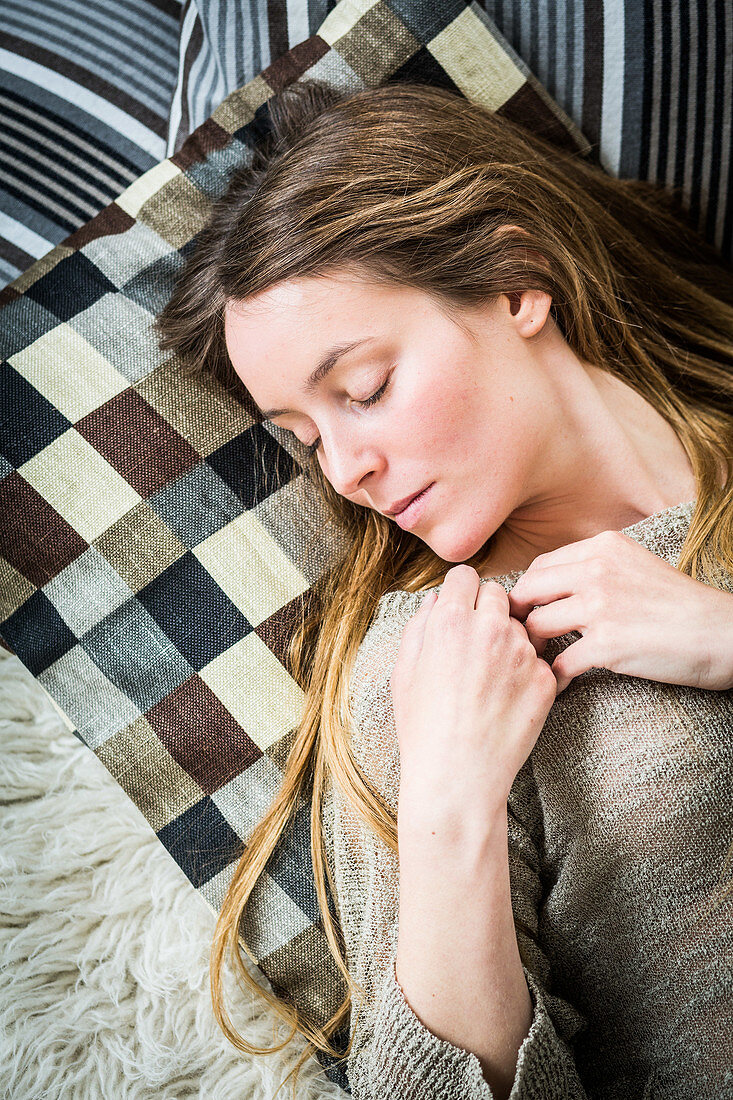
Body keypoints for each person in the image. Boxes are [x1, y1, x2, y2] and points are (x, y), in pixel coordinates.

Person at [154, 78, 733, 1099]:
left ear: (517, 279)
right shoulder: (438, 663)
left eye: (363, 389)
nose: (344, 471)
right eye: (305, 436)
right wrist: (446, 806)